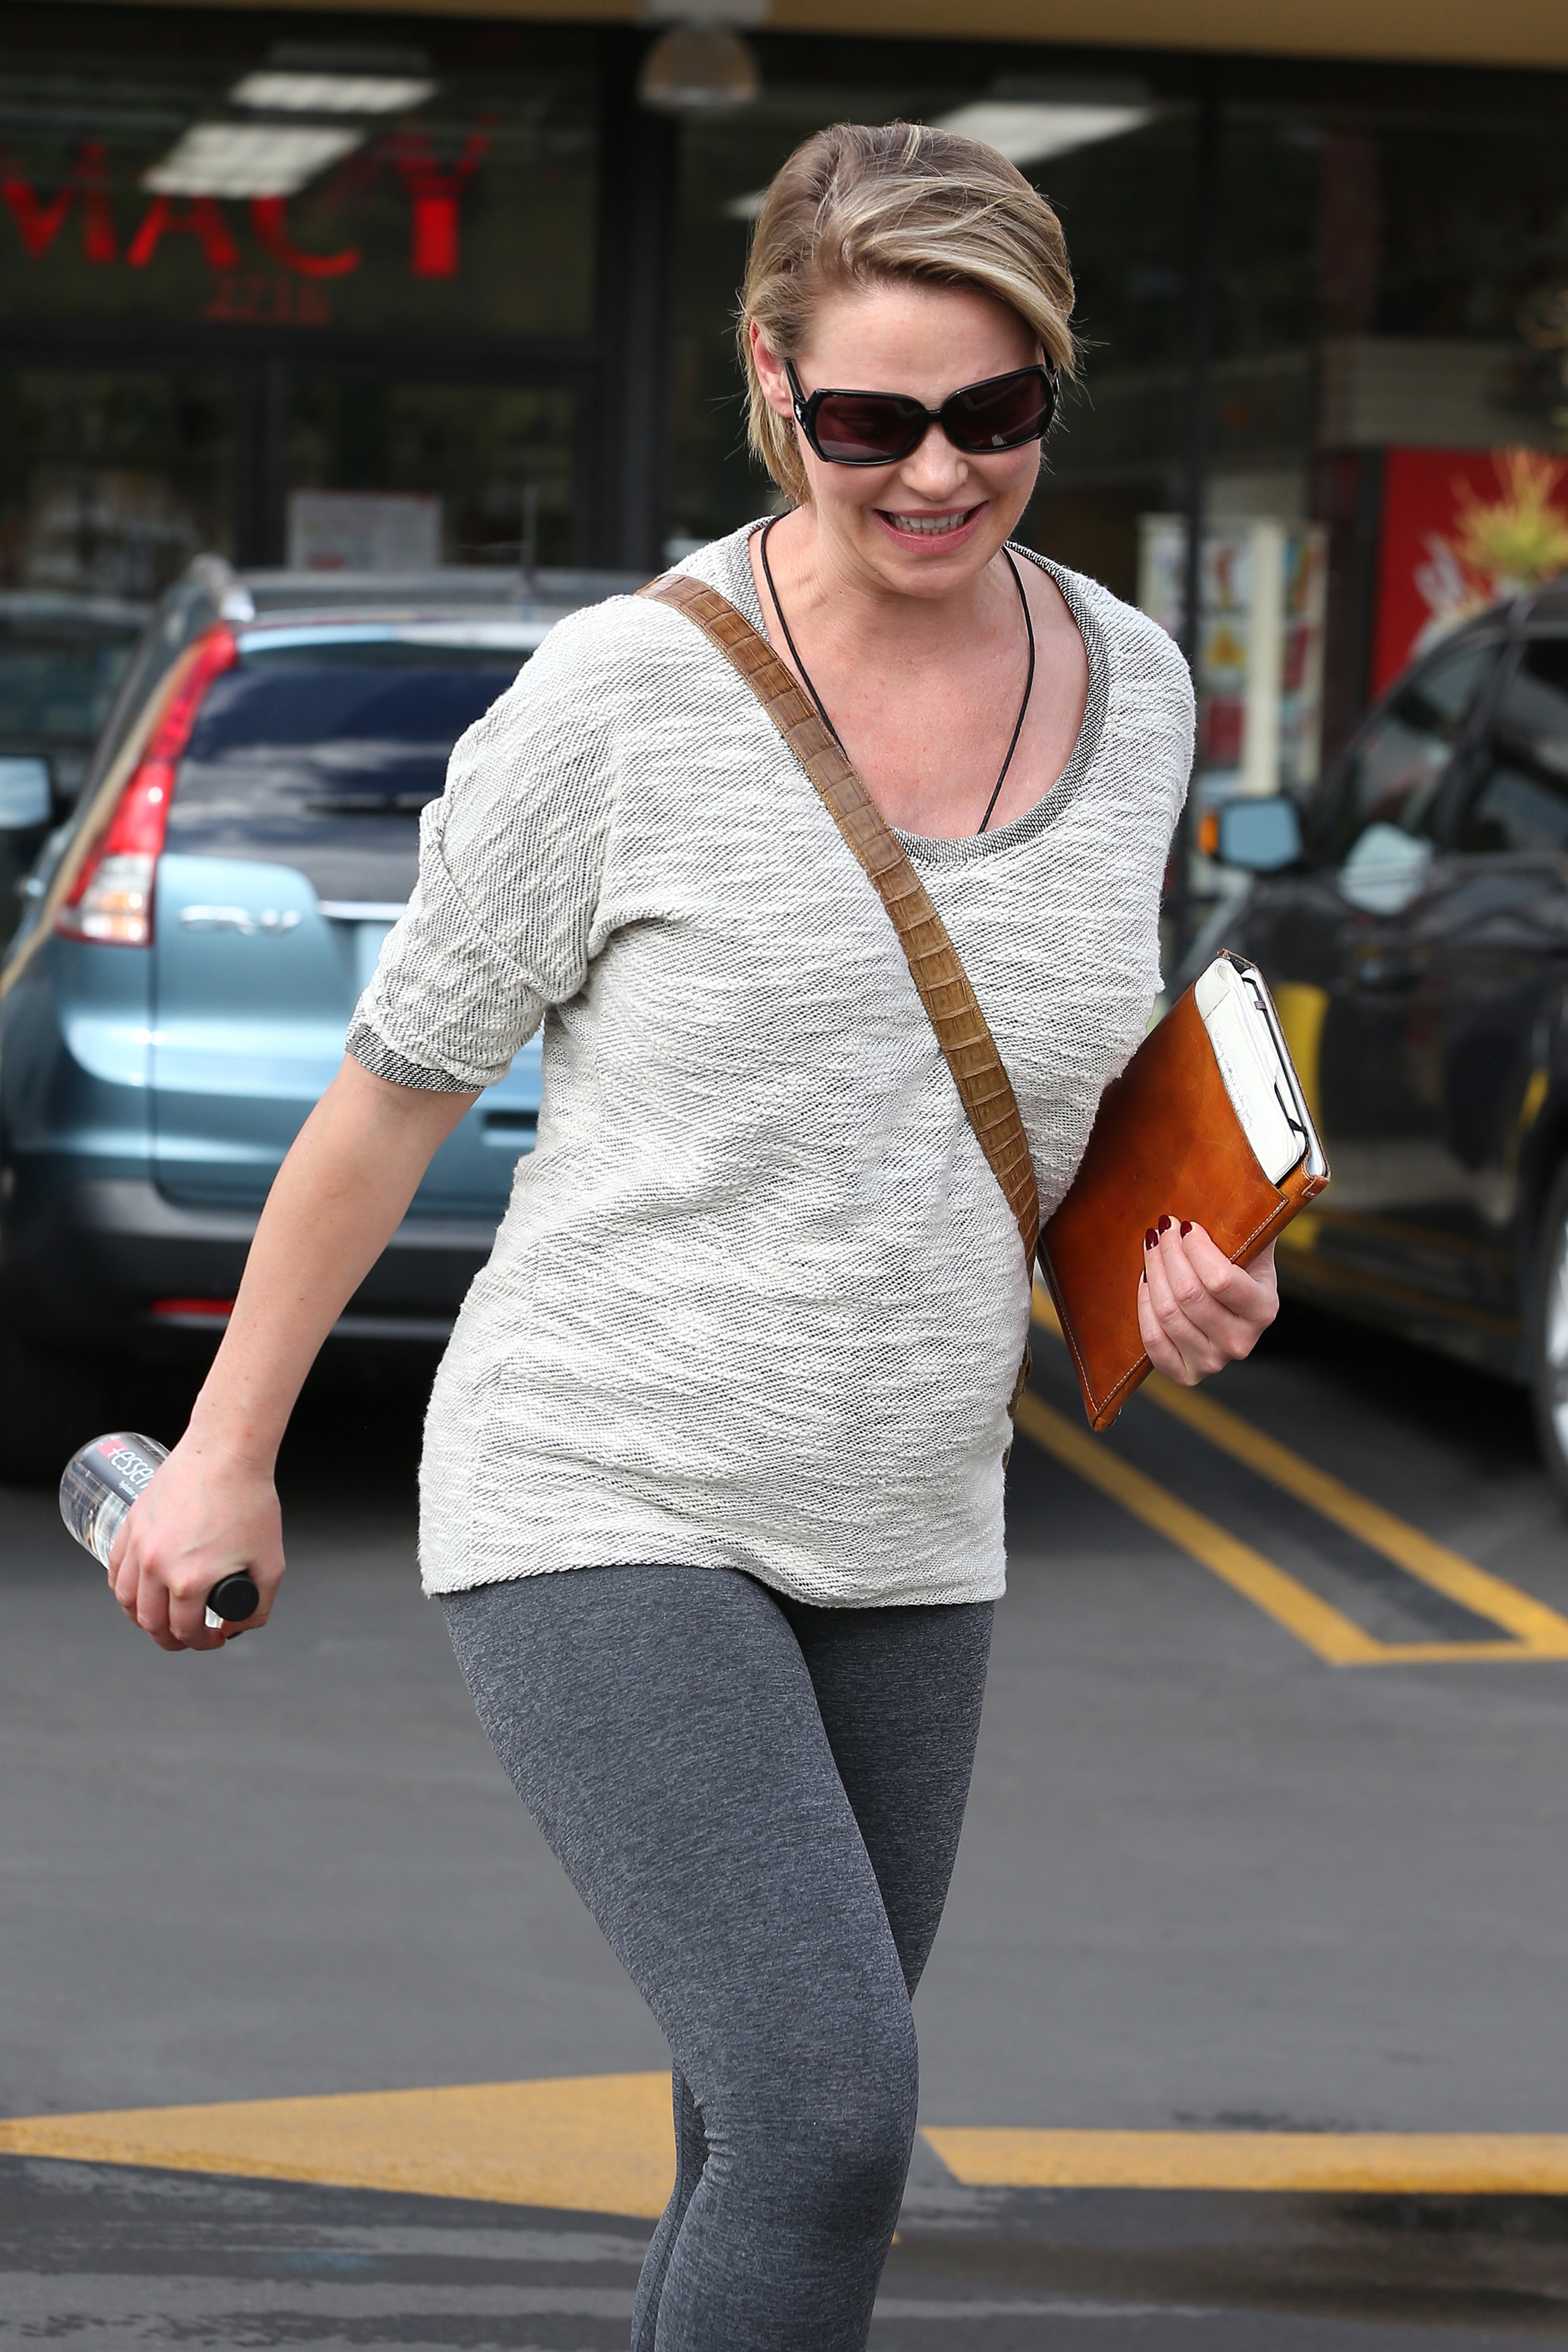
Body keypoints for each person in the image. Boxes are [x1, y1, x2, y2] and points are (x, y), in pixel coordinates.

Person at [113, 120, 1277, 2352]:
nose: (936, 473)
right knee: (830, 2116)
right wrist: (227, 1450)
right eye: (870, 420)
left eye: (995, 412)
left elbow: (1075, 1115)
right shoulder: (620, 699)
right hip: (609, 1480)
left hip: (910, 1514)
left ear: (1055, 384)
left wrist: (1193, 1267)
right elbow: (387, 1097)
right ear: (770, 383)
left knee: (758, 2143)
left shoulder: (1136, 690)